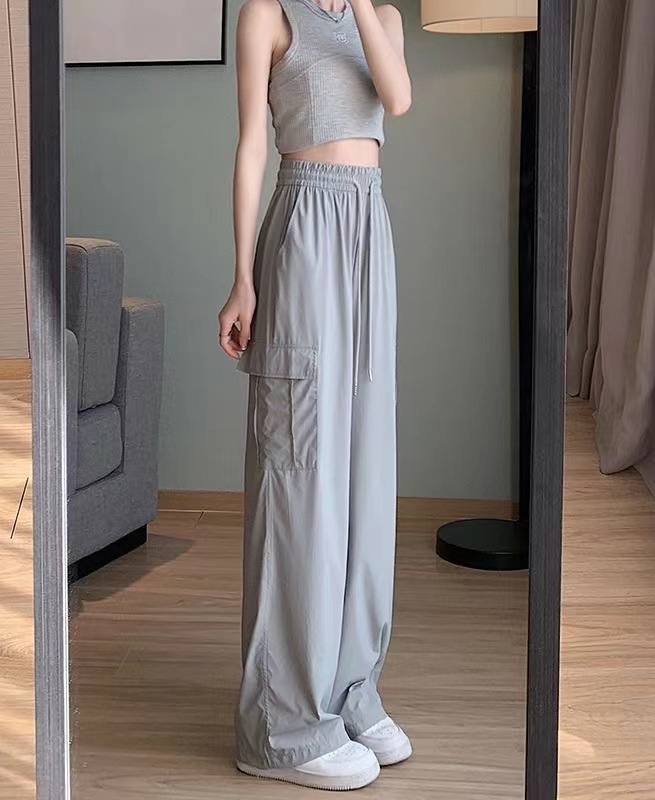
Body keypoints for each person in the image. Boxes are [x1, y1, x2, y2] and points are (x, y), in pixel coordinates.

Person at [218, 0, 412, 790]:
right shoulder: (267, 14)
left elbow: (397, 98)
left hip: (368, 227)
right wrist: (242, 277)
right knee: (299, 478)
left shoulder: (383, 17)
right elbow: (250, 147)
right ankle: (280, 727)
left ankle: (348, 690)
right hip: (303, 228)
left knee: (365, 472)